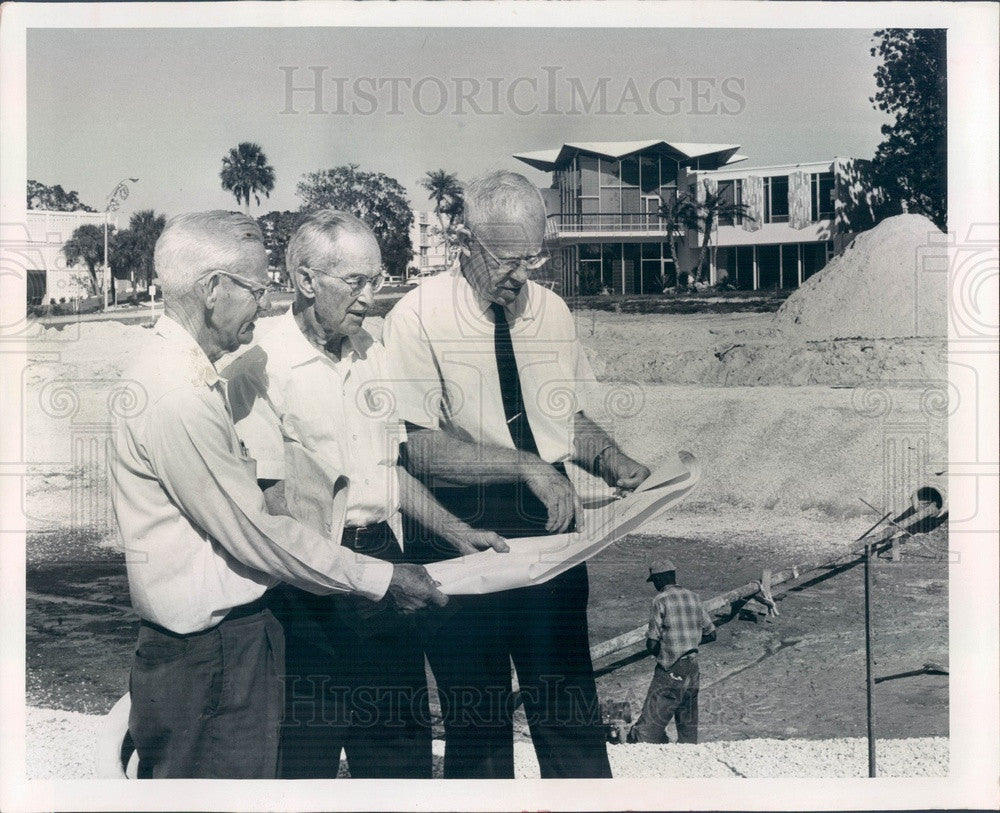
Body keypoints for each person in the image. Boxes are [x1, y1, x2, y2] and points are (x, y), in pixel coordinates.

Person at [108, 211, 446, 780]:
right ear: (213, 289)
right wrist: (384, 579)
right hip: (212, 649)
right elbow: (259, 527)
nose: (264, 304)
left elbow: (382, 470)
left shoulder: (185, 376)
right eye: (256, 289)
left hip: (231, 638)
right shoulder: (180, 394)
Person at [383, 170, 651, 778]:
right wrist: (524, 464)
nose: (524, 274)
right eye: (510, 259)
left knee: (569, 708)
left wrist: (613, 461)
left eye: (535, 256)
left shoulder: (552, 312)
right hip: (459, 527)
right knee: (476, 723)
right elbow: (416, 449)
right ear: (468, 246)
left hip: (550, 521)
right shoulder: (414, 318)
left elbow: (565, 419)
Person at [224, 209, 506, 778]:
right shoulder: (259, 367)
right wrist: (364, 579)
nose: (372, 297)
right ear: (305, 281)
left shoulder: (371, 351)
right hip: (302, 591)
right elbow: (273, 513)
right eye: (357, 282)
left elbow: (387, 471)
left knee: (400, 757)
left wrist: (457, 531)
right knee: (304, 762)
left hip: (386, 567)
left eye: (377, 280)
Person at [627, 559, 716, 744]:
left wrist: (665, 650)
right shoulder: (694, 597)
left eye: (655, 581)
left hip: (671, 667)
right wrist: (690, 643)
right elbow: (711, 633)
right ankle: (688, 752)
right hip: (693, 668)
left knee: (649, 726)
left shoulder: (661, 600)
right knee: (688, 719)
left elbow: (652, 643)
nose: (655, 586)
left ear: (660, 579)